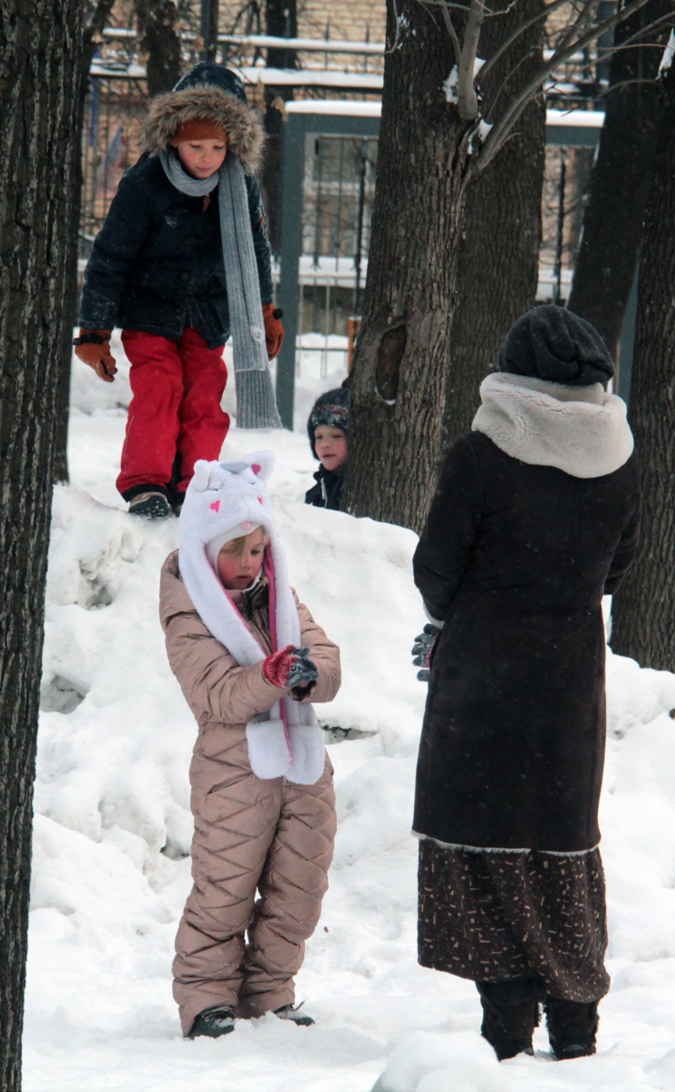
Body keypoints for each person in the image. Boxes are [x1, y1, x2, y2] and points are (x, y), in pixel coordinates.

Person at [411, 305, 641, 1062]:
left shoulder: (481, 456)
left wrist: (459, 613)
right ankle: (577, 1029)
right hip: (570, 678)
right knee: (560, 846)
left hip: (483, 679)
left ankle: (506, 1032)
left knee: (485, 848)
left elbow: (437, 569)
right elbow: (616, 567)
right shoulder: (618, 459)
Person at [160, 452, 339, 1038]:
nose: (246, 564)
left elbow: (326, 656)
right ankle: (205, 997)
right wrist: (269, 675)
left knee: (299, 892)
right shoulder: (189, 609)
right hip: (232, 772)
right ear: (203, 550)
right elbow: (215, 693)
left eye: (257, 550)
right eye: (233, 551)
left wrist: (309, 674)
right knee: (225, 890)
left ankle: (269, 992)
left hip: (303, 767)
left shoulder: (280, 596)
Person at [75, 62, 284, 519]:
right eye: (196, 146)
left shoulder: (239, 185)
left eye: (218, 147)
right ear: (172, 138)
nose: (207, 158)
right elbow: (110, 257)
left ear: (234, 144)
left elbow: (255, 250)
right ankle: (147, 484)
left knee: (205, 397)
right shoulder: (144, 184)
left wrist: (266, 312)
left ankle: (197, 485)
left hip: (208, 314)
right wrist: (94, 330)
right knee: (159, 389)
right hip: (149, 309)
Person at [305, 387, 349, 510]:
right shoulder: (317, 493)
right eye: (319, 437)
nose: (325, 444)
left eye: (336, 436)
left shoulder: (357, 490)